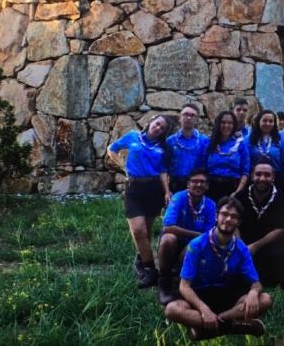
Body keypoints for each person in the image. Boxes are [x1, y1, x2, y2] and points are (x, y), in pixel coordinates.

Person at [164, 197, 272, 340]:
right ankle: (234, 326)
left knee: (265, 299)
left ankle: (210, 326)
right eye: (224, 214)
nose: (228, 219)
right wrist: (204, 309)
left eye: (233, 217)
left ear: (238, 222)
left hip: (227, 296)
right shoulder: (196, 245)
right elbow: (184, 287)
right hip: (199, 295)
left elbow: (256, 283)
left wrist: (253, 292)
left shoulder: (241, 249)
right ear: (216, 216)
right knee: (172, 310)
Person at [107, 115, 172, 288]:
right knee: (138, 230)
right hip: (134, 188)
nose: (158, 128)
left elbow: (163, 171)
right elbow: (112, 149)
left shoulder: (162, 148)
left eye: (162, 128)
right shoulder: (132, 136)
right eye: (158, 123)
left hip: (154, 190)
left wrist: (166, 191)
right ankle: (151, 269)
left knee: (147, 230)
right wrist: (123, 166)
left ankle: (140, 259)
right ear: (151, 121)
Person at [157, 172, 217, 305]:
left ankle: (179, 282)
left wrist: (196, 239)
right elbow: (167, 227)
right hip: (177, 240)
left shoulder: (211, 205)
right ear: (188, 184)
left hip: (195, 244)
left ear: (207, 186)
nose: (198, 184)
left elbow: (210, 234)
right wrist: (196, 235)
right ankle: (164, 281)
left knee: (193, 247)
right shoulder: (178, 198)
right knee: (168, 239)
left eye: (202, 182)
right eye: (195, 181)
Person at [234, 161, 284, 289]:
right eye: (258, 174)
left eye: (267, 175)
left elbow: (282, 229)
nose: (262, 178)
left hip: (269, 245)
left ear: (273, 177)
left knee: (281, 254)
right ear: (251, 175)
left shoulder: (282, 199)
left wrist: (255, 246)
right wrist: (242, 246)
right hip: (242, 244)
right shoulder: (240, 197)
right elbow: (234, 223)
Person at [205, 111, 250, 201]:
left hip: (233, 187)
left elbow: (245, 171)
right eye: (223, 122)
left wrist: (237, 192)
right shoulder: (208, 143)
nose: (226, 125)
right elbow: (202, 166)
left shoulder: (240, 144)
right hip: (210, 188)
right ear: (218, 124)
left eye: (230, 123)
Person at [165, 104, 210, 193]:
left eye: (192, 115)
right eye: (185, 114)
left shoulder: (204, 141)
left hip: (197, 185)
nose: (189, 118)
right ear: (179, 118)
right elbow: (164, 166)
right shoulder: (170, 141)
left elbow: (207, 164)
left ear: (197, 120)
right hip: (175, 185)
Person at [247, 110, 284, 192]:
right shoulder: (249, 140)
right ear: (258, 121)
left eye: (271, 121)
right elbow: (245, 162)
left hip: (276, 179)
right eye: (264, 121)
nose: (268, 123)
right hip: (255, 179)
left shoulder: (280, 139)